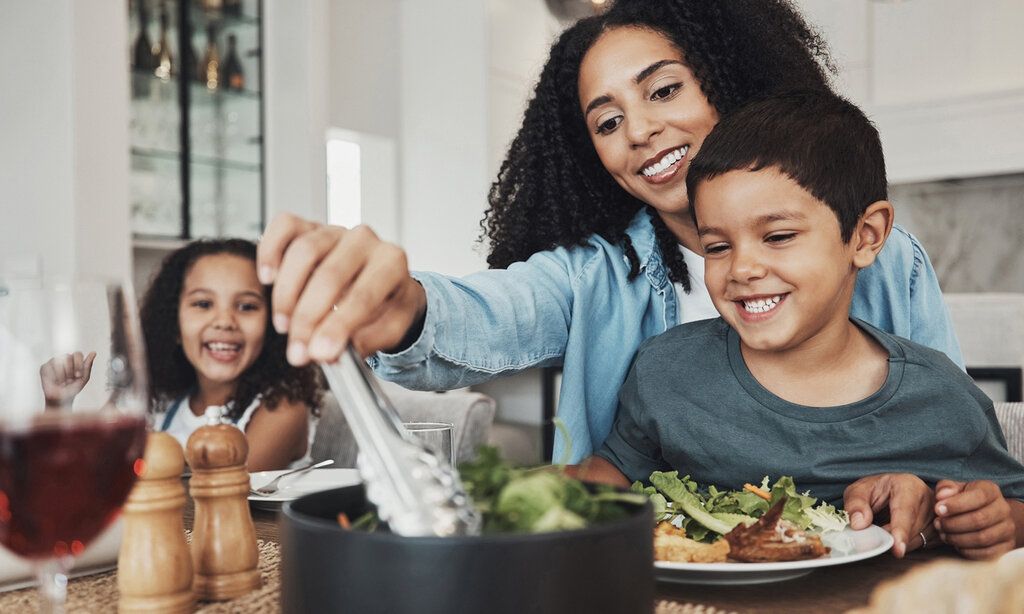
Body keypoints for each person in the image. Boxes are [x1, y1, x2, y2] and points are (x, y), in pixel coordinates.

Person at [255, 1, 962, 465]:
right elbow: (488, 312)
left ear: (727, 80)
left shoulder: (883, 259)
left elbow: (951, 435)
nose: (641, 131)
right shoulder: (595, 273)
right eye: (608, 121)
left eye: (664, 90)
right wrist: (404, 308)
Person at [578, 90, 1024, 560]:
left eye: (778, 236)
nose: (742, 269)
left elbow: (1012, 505)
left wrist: (995, 523)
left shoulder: (940, 396)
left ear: (866, 236)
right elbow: (613, 471)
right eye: (718, 247)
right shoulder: (667, 369)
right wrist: (566, 496)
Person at [141, 238, 323, 471]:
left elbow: (224, 487)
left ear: (272, 325)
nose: (225, 321)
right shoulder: (163, 405)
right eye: (203, 304)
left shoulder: (282, 410)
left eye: (246, 306)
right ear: (173, 323)